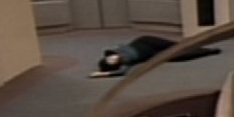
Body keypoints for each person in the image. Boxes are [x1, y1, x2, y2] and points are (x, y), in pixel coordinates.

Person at [91, 35, 220, 77]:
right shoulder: (125, 63)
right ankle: (209, 51)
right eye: (111, 61)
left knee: (176, 45)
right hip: (153, 53)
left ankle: (201, 46)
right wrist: (102, 74)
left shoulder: (115, 50)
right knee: (180, 56)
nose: (112, 58)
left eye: (110, 58)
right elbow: (121, 73)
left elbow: (107, 52)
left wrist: (108, 61)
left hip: (145, 41)